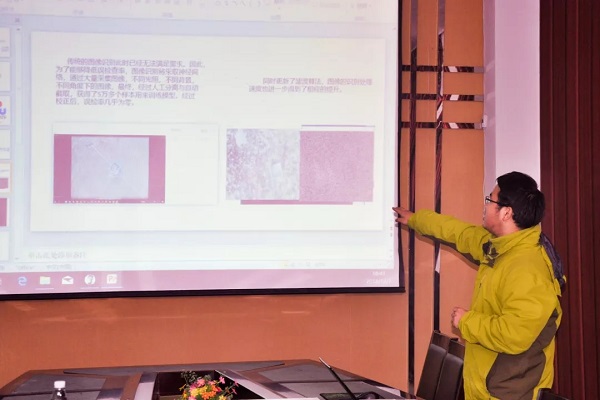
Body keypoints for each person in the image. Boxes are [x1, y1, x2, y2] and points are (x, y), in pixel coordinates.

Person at [393, 171, 566, 400]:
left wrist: (467, 321)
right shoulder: (500, 246)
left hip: (510, 393)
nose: (485, 206)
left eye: (489, 200)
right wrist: (416, 220)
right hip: (486, 388)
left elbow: (514, 334)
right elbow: (459, 233)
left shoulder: (527, 269)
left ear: (506, 213)